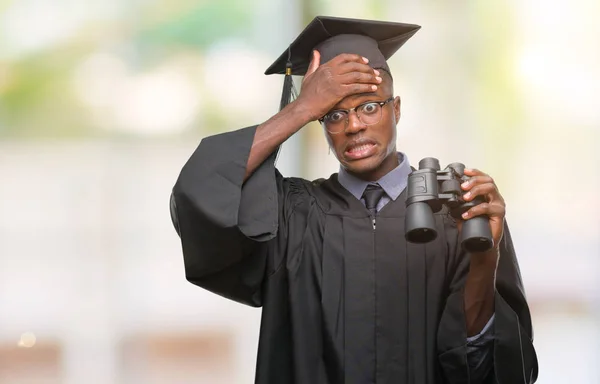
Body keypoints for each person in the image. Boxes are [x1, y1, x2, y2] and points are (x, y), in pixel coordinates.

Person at [169, 16, 538, 384]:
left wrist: (486, 258)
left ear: (395, 109)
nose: (354, 125)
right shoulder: (293, 215)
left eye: (369, 106)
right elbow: (201, 193)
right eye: (333, 114)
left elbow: (483, 364)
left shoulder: (454, 213)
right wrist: (300, 108)